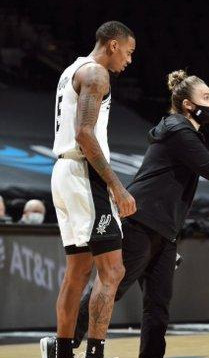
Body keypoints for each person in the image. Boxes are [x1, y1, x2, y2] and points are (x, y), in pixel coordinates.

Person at [43, 71, 209, 358]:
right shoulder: (179, 129)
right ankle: (63, 344)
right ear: (187, 104)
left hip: (164, 231)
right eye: (206, 97)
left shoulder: (184, 131)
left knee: (158, 306)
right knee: (110, 289)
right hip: (140, 221)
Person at [41, 21, 137, 358]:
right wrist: (117, 186)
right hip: (84, 173)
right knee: (113, 269)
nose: (129, 59)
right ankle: (95, 352)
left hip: (62, 171)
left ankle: (62, 350)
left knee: (78, 269)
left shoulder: (71, 70)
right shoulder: (96, 74)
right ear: (113, 45)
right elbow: (84, 133)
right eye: (128, 51)